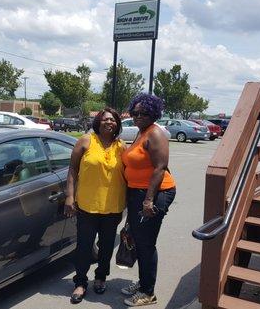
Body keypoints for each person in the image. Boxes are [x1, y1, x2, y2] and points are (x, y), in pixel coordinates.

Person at [64, 107, 126, 304]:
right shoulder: (86, 140)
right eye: (106, 119)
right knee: (84, 246)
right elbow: (73, 169)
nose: (110, 122)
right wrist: (69, 197)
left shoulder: (122, 146)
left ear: (118, 124)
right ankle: (80, 282)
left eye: (114, 120)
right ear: (98, 122)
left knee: (107, 246)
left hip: (113, 207)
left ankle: (100, 277)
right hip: (87, 206)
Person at [121, 93, 177, 307]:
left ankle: (148, 293)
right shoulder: (141, 132)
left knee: (146, 244)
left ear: (153, 113)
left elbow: (160, 168)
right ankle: (144, 281)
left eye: (144, 113)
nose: (138, 116)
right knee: (138, 239)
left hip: (155, 194)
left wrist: (148, 200)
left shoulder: (156, 134)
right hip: (138, 194)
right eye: (135, 112)